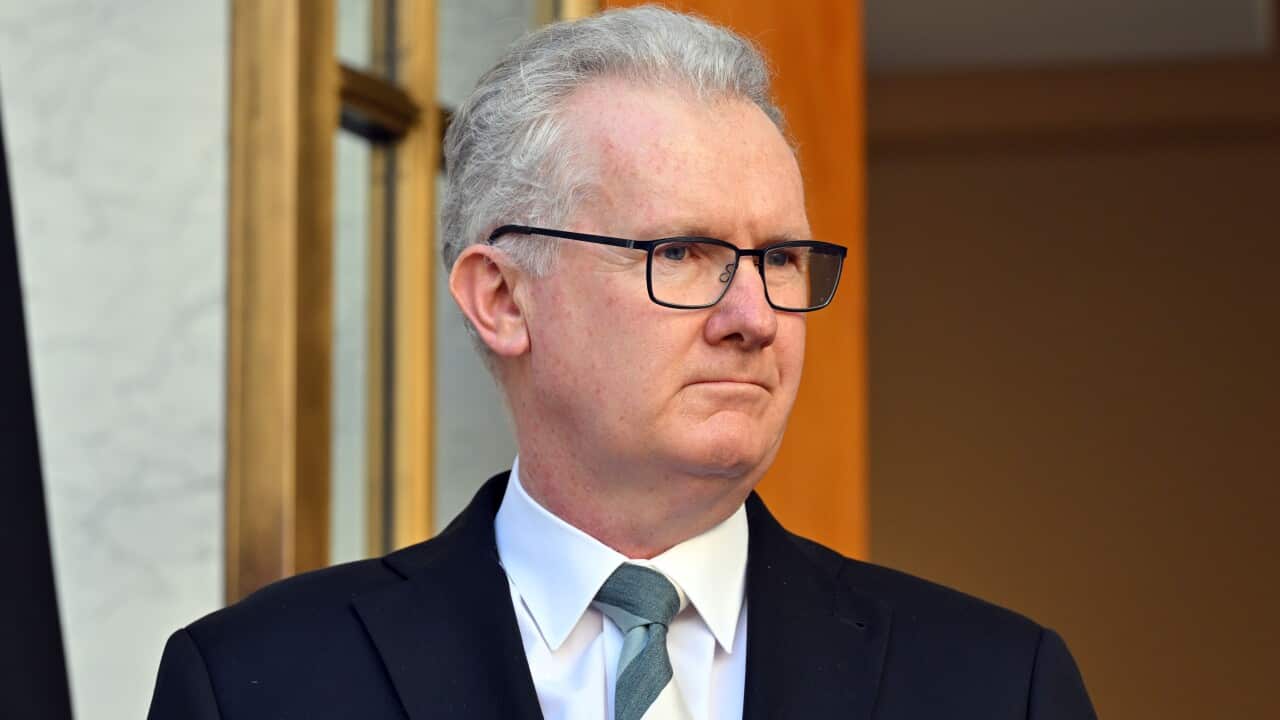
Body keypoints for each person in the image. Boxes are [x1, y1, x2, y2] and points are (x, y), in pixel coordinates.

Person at [148, 7, 1095, 719]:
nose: (754, 316)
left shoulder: (995, 684)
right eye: (682, 252)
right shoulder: (256, 685)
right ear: (502, 297)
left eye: (779, 260)